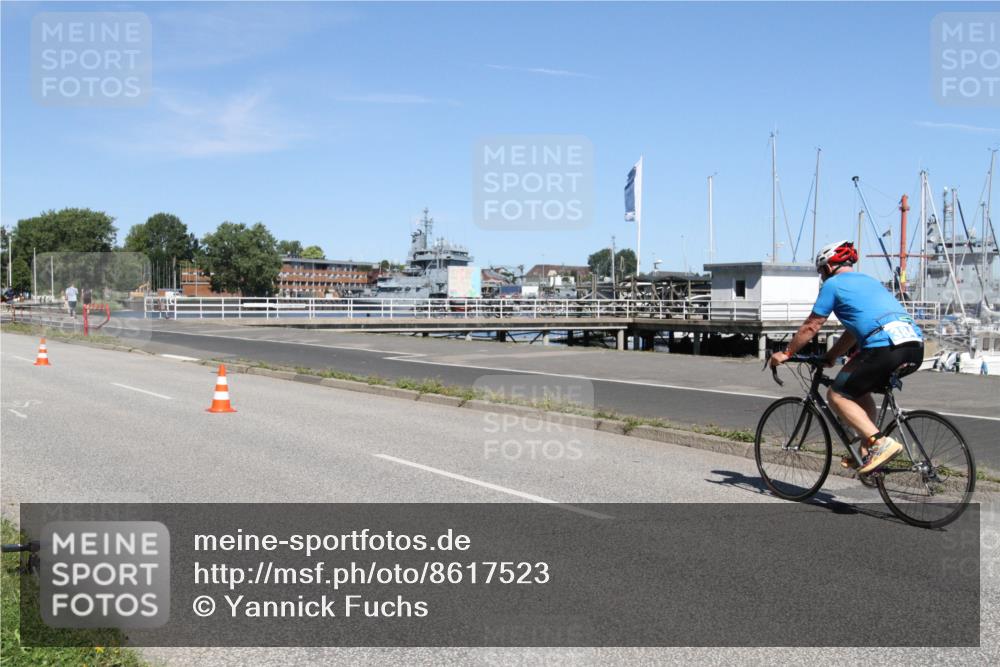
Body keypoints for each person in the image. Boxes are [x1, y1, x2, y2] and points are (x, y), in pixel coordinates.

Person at [770, 240, 924, 475]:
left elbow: (812, 325)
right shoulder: (870, 281)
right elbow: (852, 332)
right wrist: (831, 356)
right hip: (914, 347)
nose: (821, 277)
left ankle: (880, 444)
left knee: (837, 395)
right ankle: (867, 449)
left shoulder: (833, 285)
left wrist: (786, 352)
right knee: (858, 392)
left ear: (828, 267)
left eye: (821, 271)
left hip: (884, 348)